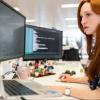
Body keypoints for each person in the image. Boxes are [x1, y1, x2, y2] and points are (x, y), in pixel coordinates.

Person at [58, 0, 100, 99]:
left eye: (88, 14)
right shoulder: (97, 47)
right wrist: (72, 79)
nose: (82, 21)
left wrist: (57, 89)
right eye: (81, 17)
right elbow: (95, 80)